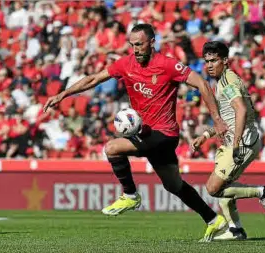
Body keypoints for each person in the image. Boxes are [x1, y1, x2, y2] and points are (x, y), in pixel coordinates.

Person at [43, 24, 228, 242]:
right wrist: (63, 94)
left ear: (152, 42)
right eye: (132, 45)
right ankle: (213, 219)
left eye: (139, 44)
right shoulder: (126, 64)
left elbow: (203, 85)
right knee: (173, 185)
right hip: (147, 134)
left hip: (164, 133)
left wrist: (217, 120)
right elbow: (94, 79)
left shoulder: (167, 65)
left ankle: (130, 195)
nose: (135, 49)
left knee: (112, 148)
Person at [191, 41, 265, 241]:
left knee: (213, 188)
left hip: (242, 142)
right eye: (207, 61)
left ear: (225, 61)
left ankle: (262, 192)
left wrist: (236, 143)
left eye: (214, 60)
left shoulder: (228, 81)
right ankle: (235, 229)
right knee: (223, 186)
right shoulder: (222, 81)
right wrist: (206, 135)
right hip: (237, 140)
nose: (209, 65)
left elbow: (241, 110)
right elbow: (228, 120)